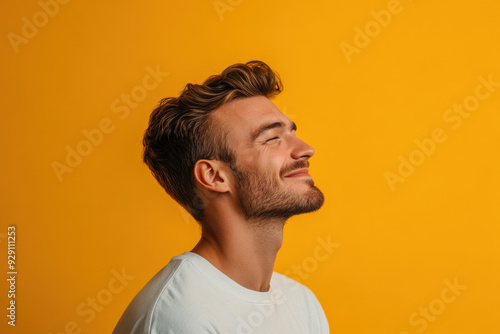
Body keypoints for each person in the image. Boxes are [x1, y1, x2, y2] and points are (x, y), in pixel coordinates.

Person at [113, 60, 329, 333]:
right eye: (272, 138)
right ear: (214, 177)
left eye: (291, 132)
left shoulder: (301, 304)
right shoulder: (181, 316)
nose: (306, 149)